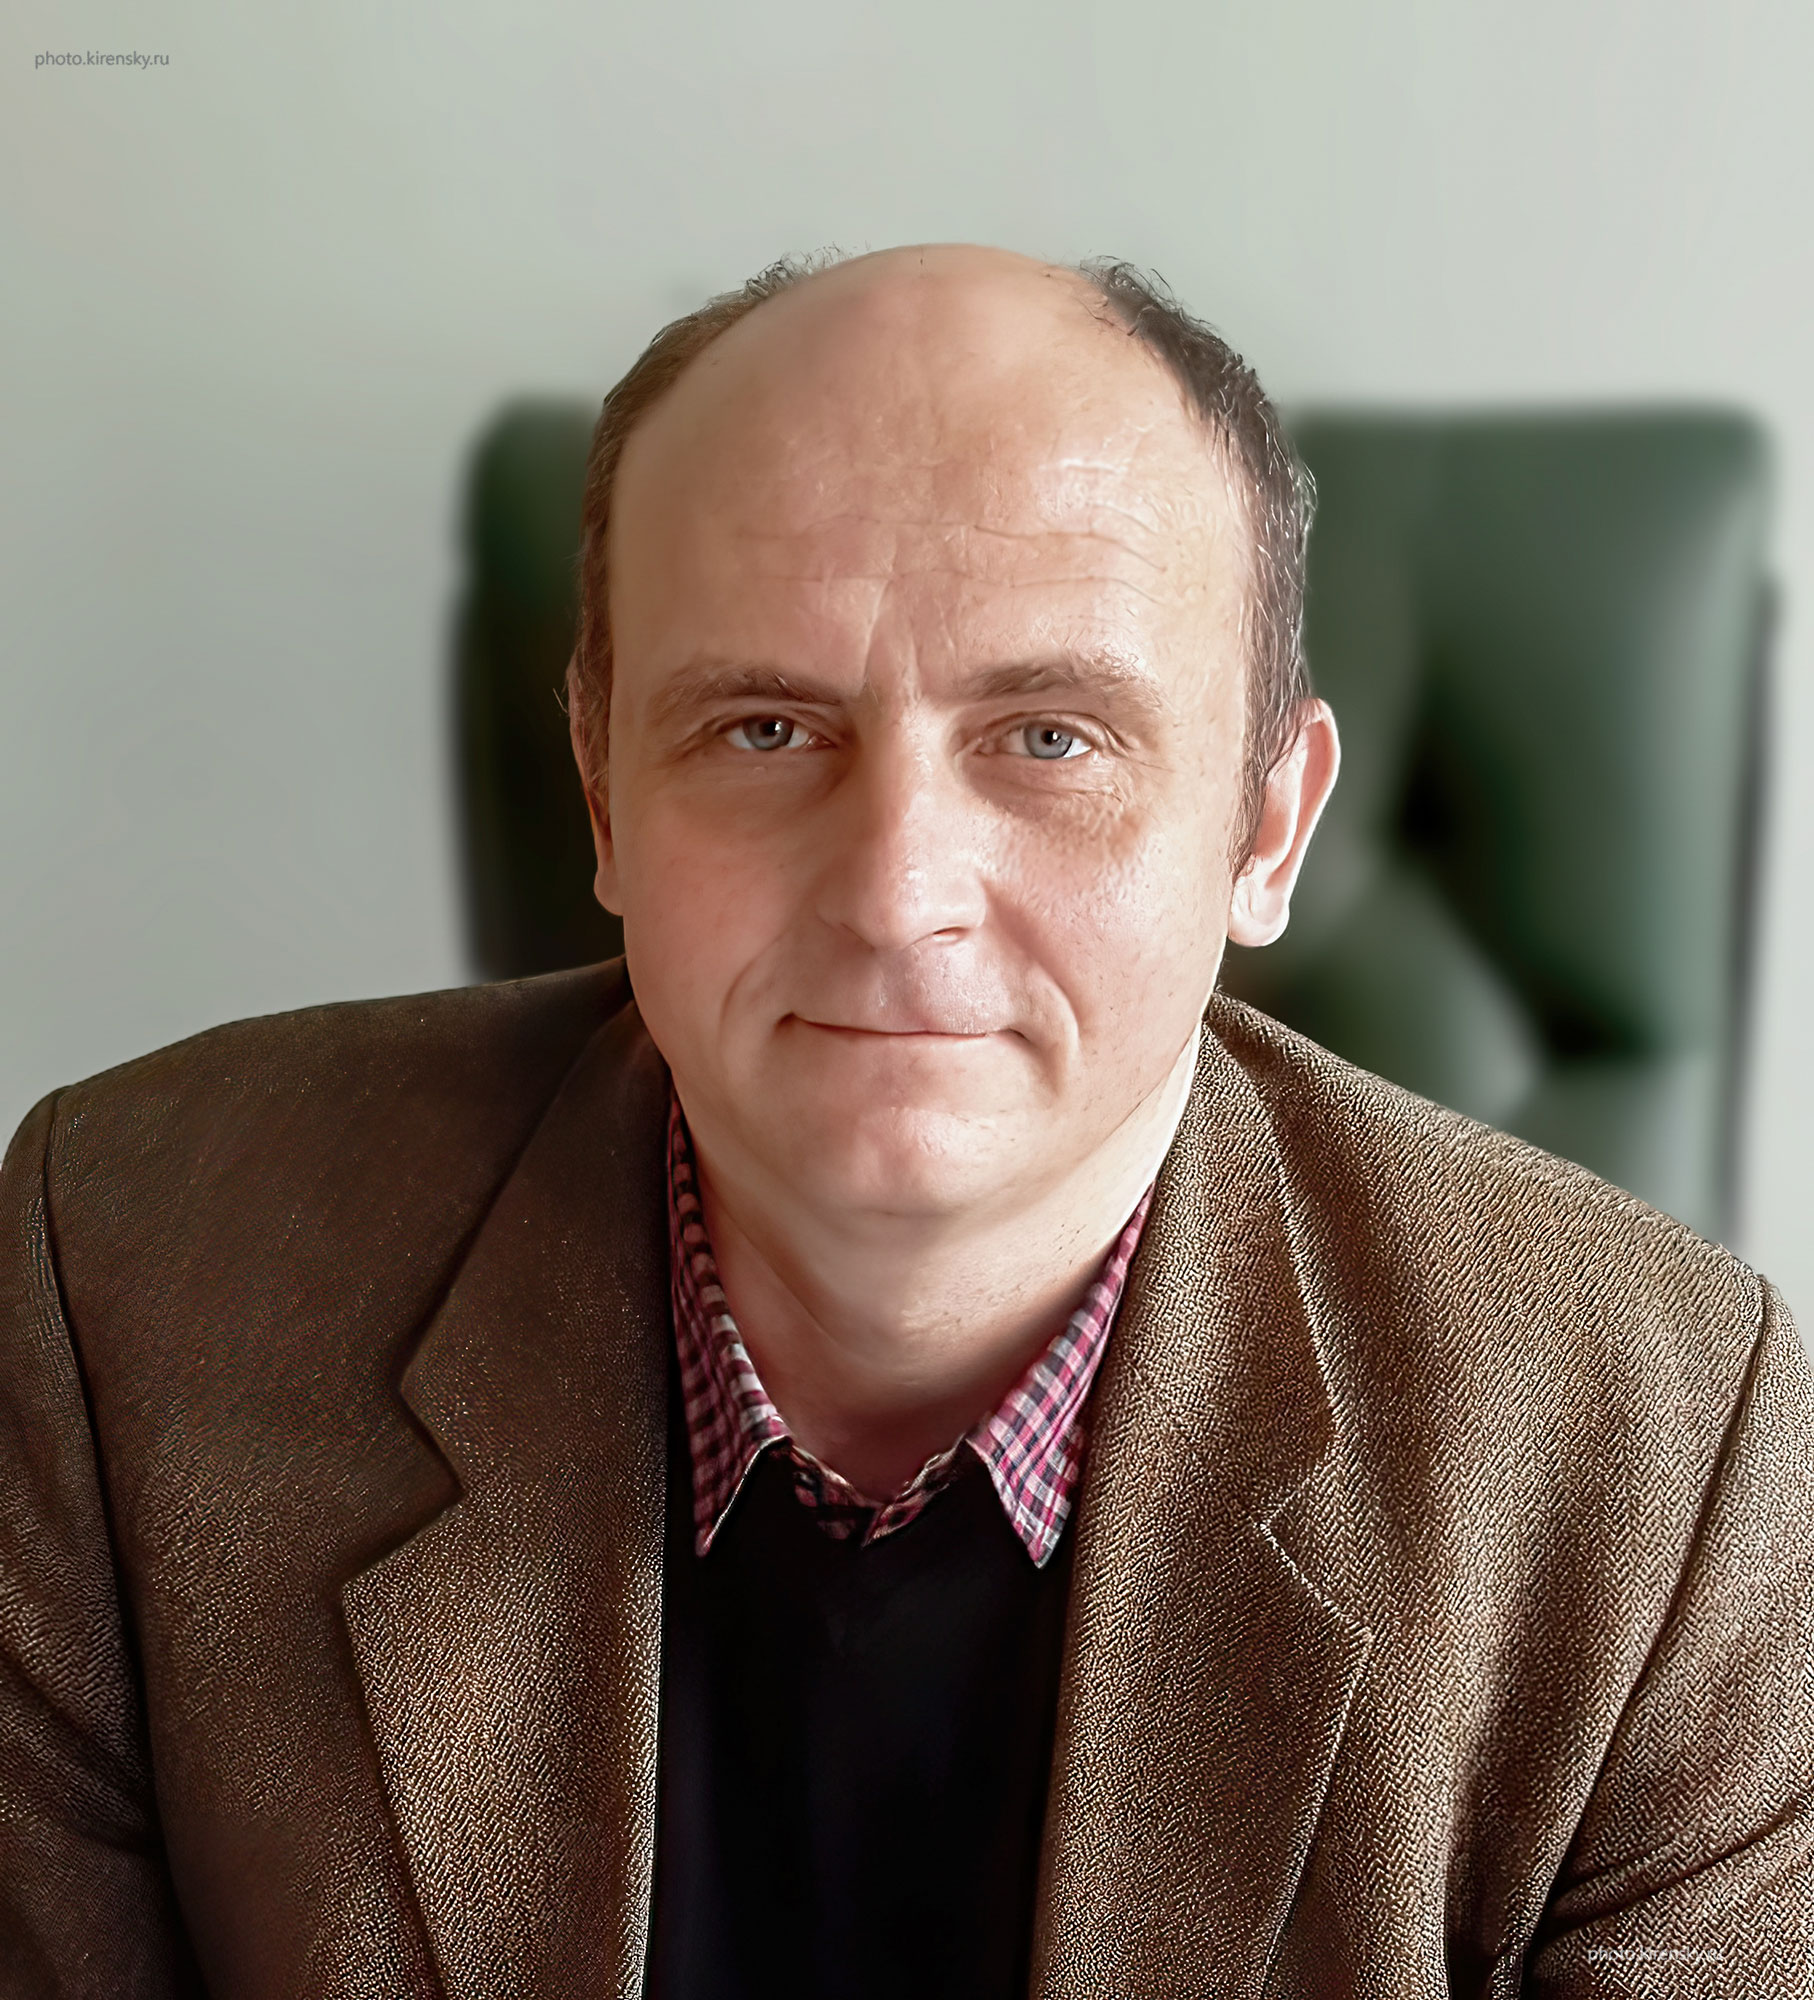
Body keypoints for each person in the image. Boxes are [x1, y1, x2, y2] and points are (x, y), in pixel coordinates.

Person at [0, 244, 1808, 2000]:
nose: (895, 894)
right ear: (603, 792)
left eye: (1050, 738)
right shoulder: (129, 1280)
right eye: (765, 730)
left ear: (1266, 827)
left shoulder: (1669, 1468)